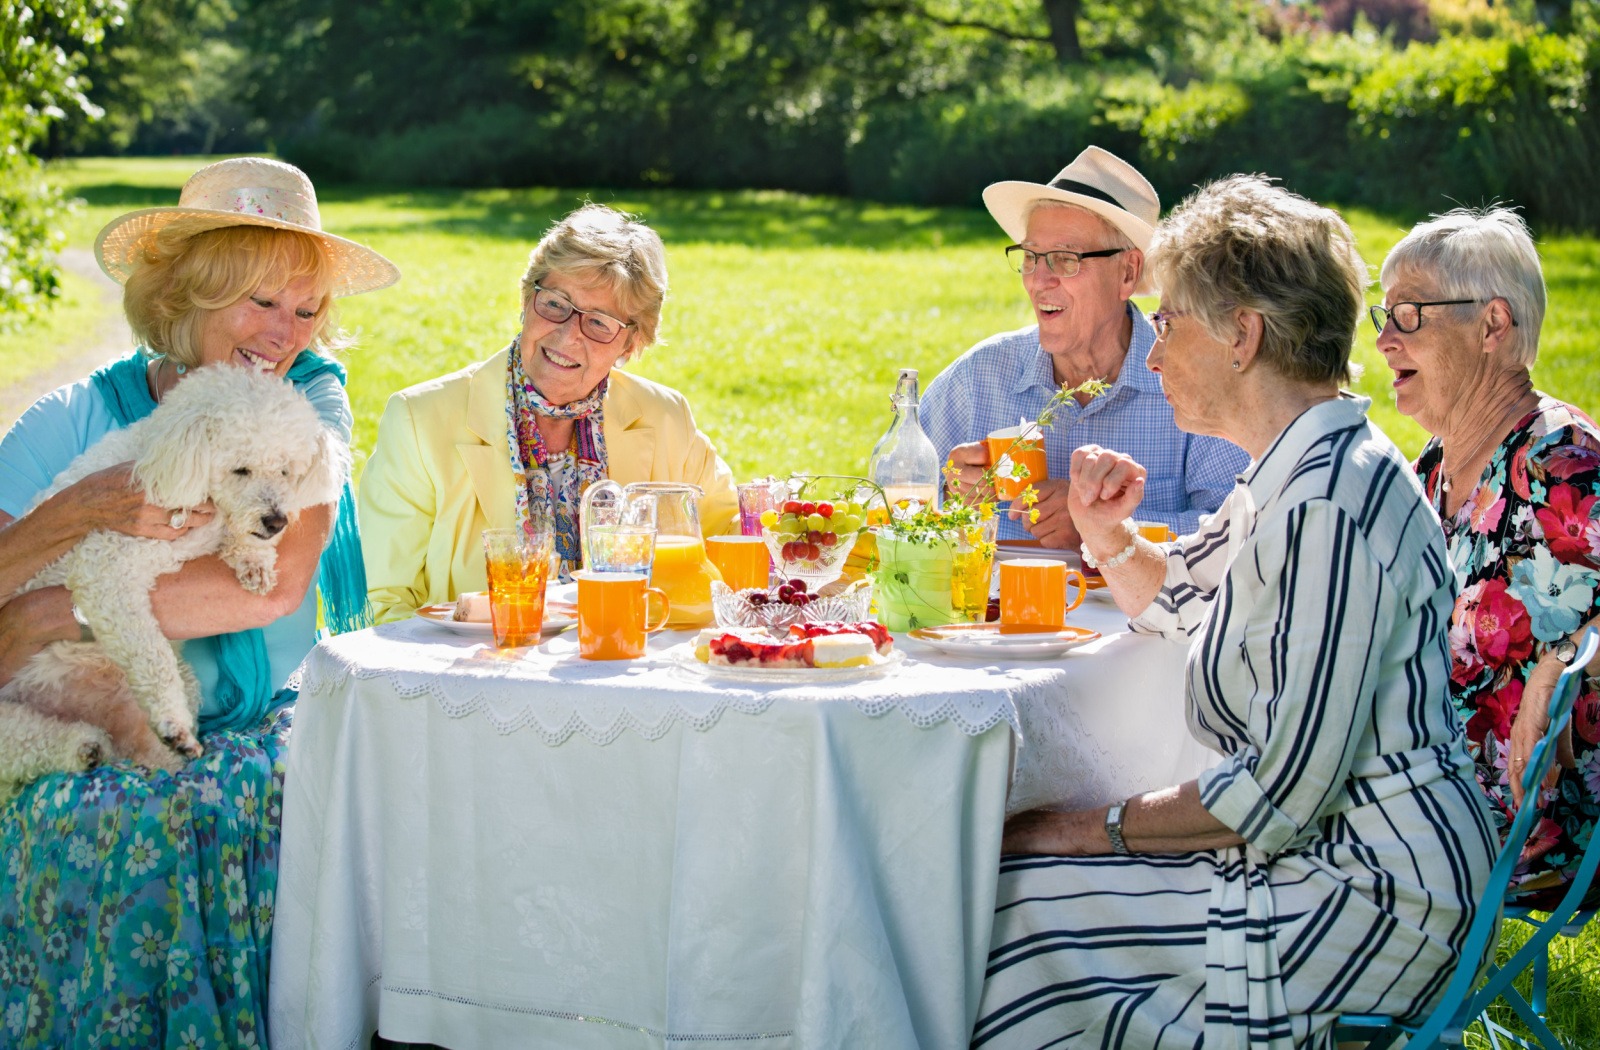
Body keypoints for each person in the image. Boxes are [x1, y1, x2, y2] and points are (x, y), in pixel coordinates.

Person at [974, 176, 1496, 1048]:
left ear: (1243, 335)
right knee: (999, 889)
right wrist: (1109, 536)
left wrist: (1075, 829)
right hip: (1322, 857)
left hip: (1373, 895)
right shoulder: (1289, 471)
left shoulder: (1330, 503)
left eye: (1170, 323)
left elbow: (1277, 796)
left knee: (1006, 911)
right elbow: (1178, 597)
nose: (1152, 354)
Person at [0, 157, 397, 1046]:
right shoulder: (68, 418)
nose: (284, 333)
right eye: (259, 300)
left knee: (198, 813)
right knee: (73, 819)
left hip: (252, 723)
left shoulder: (309, 401)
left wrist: (41, 616)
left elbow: (275, 586)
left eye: (304, 310)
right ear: (188, 291)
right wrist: (75, 510)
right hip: (75, 714)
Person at [1375, 207, 1600, 910]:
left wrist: (1558, 671)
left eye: (1408, 315)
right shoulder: (1435, 466)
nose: (1383, 341)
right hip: (1421, 783)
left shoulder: (1563, 462)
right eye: (1381, 316)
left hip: (1529, 819)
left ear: (1492, 326)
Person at [359, 202, 737, 621]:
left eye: (598, 324)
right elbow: (387, 604)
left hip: (624, 664)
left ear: (630, 344)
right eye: (556, 304)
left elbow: (733, 542)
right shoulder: (420, 419)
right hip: (478, 672)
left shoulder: (665, 417)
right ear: (526, 299)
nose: (568, 336)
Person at [923, 146, 1248, 547]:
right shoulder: (978, 377)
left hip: (1138, 611)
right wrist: (951, 500)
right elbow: (894, 506)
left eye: (1064, 259)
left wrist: (1102, 530)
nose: (1038, 280)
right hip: (995, 609)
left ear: (1127, 272)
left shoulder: (1193, 380)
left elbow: (1238, 534)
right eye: (1030, 257)